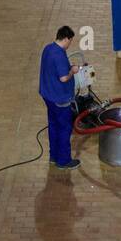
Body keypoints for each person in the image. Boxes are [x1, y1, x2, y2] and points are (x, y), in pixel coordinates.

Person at [39, 25, 81, 169]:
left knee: (53, 125)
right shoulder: (59, 54)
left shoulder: (48, 49)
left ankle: (54, 156)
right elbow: (63, 78)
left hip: (48, 95)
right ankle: (63, 161)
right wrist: (73, 71)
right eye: (70, 41)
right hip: (60, 99)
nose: (70, 44)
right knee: (64, 128)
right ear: (66, 39)